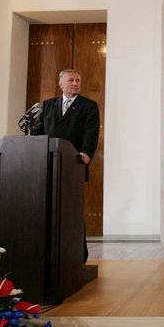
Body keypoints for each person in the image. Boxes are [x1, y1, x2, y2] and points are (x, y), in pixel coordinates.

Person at [31, 68, 100, 264]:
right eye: (71, 80)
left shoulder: (88, 106)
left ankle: (78, 256)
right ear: (61, 83)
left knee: (72, 212)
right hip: (47, 166)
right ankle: (49, 256)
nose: (75, 83)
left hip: (74, 165)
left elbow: (91, 133)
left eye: (78, 80)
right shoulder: (48, 105)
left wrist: (86, 153)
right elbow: (38, 132)